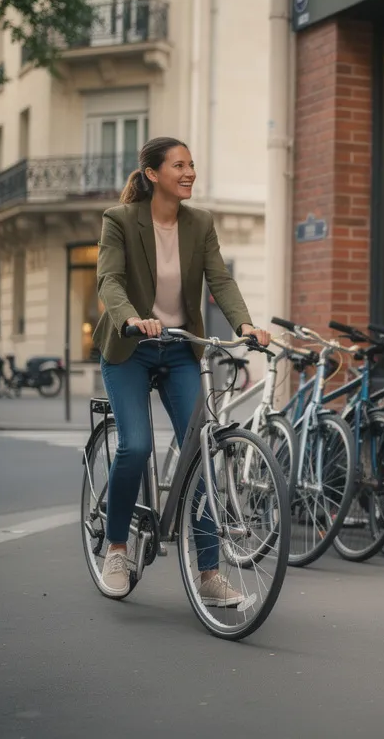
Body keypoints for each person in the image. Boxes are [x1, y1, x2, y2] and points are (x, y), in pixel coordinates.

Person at [93, 136, 271, 605]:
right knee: (135, 445)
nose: (189, 172)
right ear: (153, 174)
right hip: (131, 347)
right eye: (179, 165)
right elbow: (109, 280)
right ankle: (115, 548)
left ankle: (209, 574)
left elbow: (220, 278)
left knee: (202, 454)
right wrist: (130, 317)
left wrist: (245, 323)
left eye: (192, 164)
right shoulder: (120, 221)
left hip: (178, 350)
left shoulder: (200, 223)